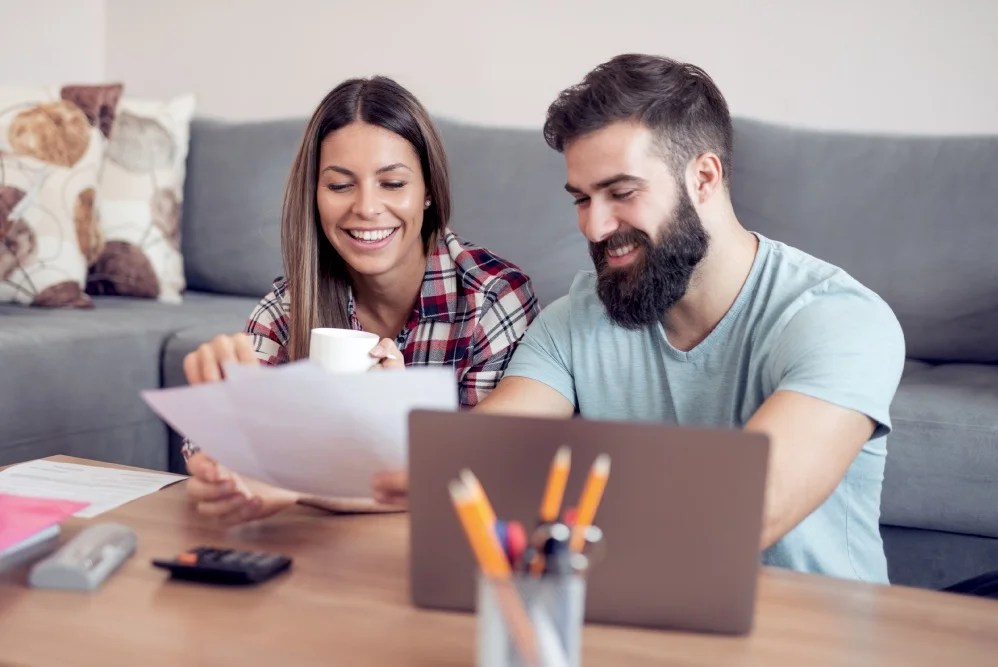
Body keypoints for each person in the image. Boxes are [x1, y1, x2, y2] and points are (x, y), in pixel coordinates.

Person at [374, 54, 905, 583]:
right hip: (641, 625)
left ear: (703, 177)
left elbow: (748, 513)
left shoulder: (841, 321)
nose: (596, 226)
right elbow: (490, 450)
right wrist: (419, 449)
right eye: (582, 198)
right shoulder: (573, 323)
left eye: (622, 193)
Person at [182, 76, 538, 523]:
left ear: (427, 191)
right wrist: (221, 419)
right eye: (339, 185)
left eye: (392, 183)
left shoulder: (491, 299)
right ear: (314, 196)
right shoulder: (288, 307)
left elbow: (482, 472)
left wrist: (393, 426)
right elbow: (214, 455)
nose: (367, 208)